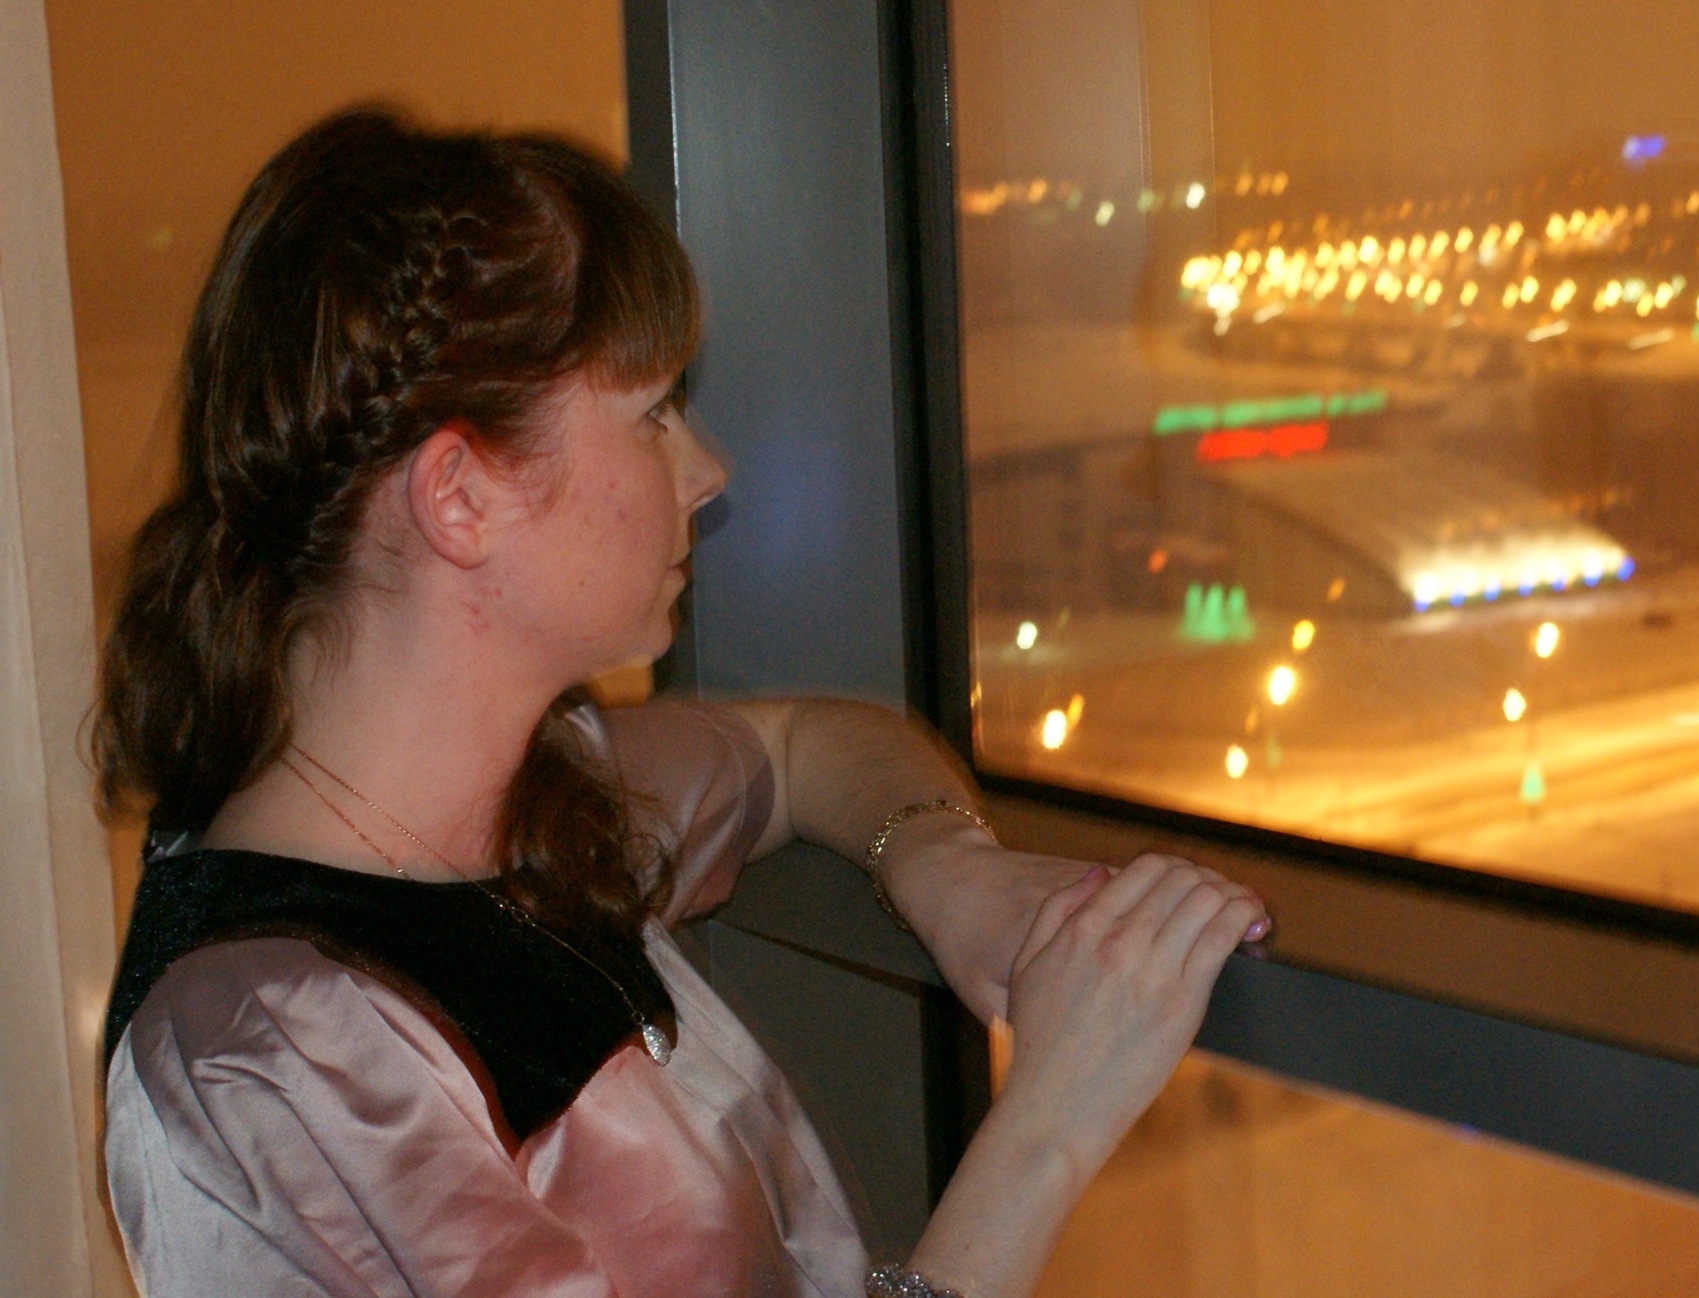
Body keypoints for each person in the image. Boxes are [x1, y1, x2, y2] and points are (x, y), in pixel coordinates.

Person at [94, 107, 1269, 1298]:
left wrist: (943, 869)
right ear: (460, 497)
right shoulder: (266, 1050)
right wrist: (1052, 1123)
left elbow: (808, 747)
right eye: (652, 413)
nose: (707, 470)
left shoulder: (521, 800)